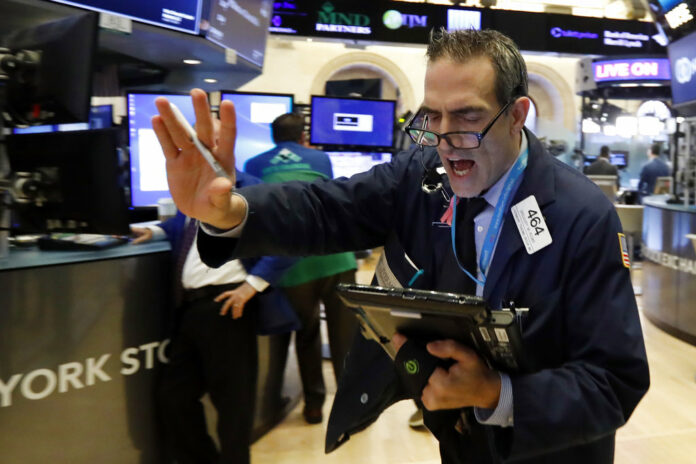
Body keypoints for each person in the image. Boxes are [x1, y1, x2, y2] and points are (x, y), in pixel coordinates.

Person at [151, 28, 649, 464]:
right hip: (455, 436)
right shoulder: (422, 172)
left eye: (469, 117)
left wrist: (498, 394)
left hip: (543, 450)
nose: (447, 140)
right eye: (433, 117)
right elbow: (328, 208)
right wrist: (231, 212)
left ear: (518, 114)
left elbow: (614, 381)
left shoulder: (582, 217)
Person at [130, 169, 297, 464]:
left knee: (233, 406)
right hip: (190, 307)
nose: (208, 148)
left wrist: (252, 284)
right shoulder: (196, 190)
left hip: (228, 304)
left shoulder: (251, 190)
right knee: (174, 397)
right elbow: (184, 227)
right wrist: (156, 230)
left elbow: (291, 239)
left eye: (217, 141)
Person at [245, 112, 359, 424]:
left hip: (290, 264)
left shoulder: (253, 165)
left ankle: (313, 406)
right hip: (336, 256)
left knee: (306, 335)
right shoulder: (320, 159)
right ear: (303, 137)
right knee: (344, 335)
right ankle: (351, 408)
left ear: (272, 137)